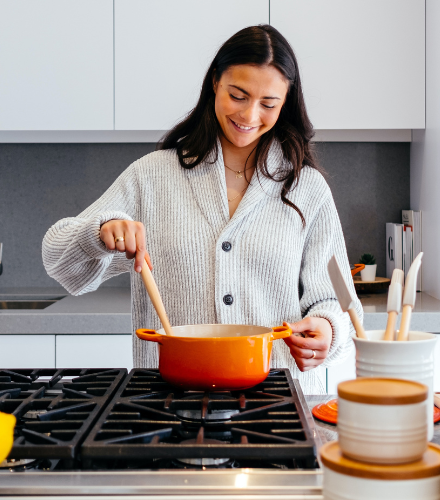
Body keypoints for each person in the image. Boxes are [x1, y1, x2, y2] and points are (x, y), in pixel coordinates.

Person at [42, 25, 361, 394]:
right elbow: (58, 260)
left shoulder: (307, 188)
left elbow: (338, 303)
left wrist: (327, 329)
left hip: (277, 402)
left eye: (268, 104)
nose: (250, 114)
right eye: (238, 95)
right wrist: (99, 233)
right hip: (168, 403)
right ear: (215, 83)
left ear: (286, 102)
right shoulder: (152, 176)